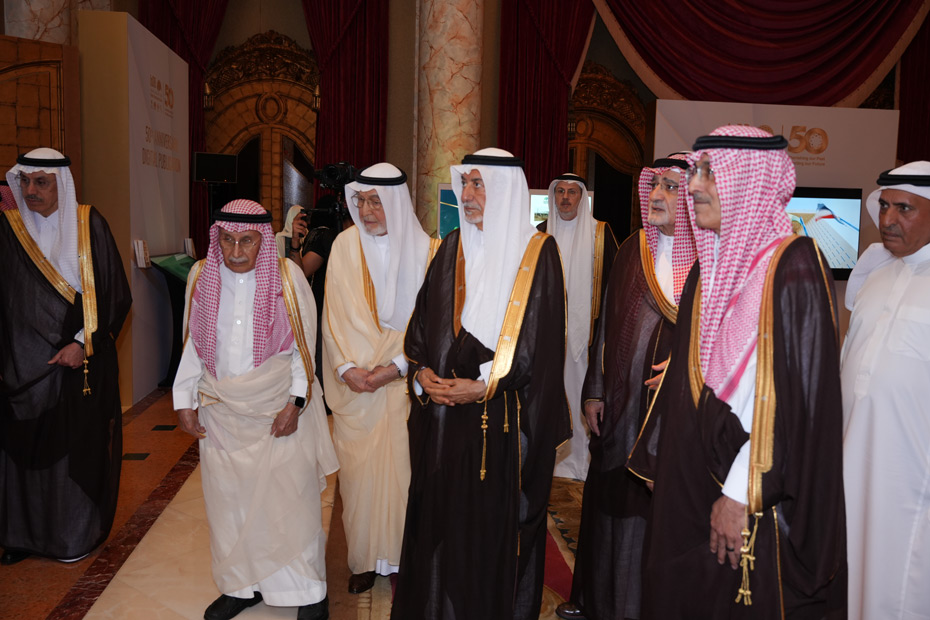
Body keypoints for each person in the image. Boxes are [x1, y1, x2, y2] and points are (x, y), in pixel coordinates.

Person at [628, 126, 847, 618]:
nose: (694, 186)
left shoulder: (793, 266)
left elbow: (795, 405)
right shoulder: (708, 268)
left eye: (709, 173)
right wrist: (664, 462)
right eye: (696, 173)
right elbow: (691, 381)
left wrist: (739, 493)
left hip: (753, 497)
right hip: (695, 483)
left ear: (747, 180)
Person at [391, 148, 569, 620]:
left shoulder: (538, 253)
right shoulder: (450, 246)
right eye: (464, 184)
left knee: (485, 532)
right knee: (438, 522)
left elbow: (540, 344)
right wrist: (420, 373)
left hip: (499, 426)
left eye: (478, 184)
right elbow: (421, 327)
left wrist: (485, 384)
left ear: (505, 191)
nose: (466, 194)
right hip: (441, 422)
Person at [173, 199, 338, 620]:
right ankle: (241, 586)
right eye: (227, 240)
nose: (235, 251)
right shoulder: (201, 275)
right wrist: (183, 398)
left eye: (246, 240)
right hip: (220, 411)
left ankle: (308, 591)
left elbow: (304, 347)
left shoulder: (288, 278)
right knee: (228, 503)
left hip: (277, 409)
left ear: (263, 240)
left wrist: (296, 402)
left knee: (290, 502)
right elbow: (193, 343)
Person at [557, 154, 696, 620]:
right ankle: (597, 600)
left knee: (654, 513)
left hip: (673, 412)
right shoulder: (634, 248)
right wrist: (594, 390)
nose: (657, 195)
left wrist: (686, 364)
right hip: (619, 405)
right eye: (654, 185)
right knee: (610, 503)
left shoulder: (710, 255)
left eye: (671, 187)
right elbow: (606, 322)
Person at [0, 148, 131, 565]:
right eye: (25, 181)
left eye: (41, 182)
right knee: (22, 455)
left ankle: (73, 537)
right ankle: (22, 537)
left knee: (74, 452)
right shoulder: (10, 229)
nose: (31, 190)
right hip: (21, 368)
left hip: (77, 363)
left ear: (62, 185)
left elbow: (113, 294)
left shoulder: (88, 224)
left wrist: (81, 343)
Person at [321, 163, 437, 594]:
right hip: (356, 390)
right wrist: (345, 369)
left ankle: (406, 557)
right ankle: (365, 560)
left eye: (376, 202)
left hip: (405, 386)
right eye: (361, 201)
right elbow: (331, 316)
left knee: (407, 475)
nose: (367, 211)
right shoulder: (344, 245)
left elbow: (432, 324)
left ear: (396, 203)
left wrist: (396, 368)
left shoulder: (428, 253)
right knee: (359, 479)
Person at [841, 161, 930, 620]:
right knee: (854, 577)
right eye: (884, 206)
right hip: (853, 460)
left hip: (913, 475)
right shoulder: (874, 276)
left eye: (905, 209)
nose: (889, 219)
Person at [537, 173, 618, 481]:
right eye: (560, 191)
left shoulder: (600, 233)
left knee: (582, 395)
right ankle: (548, 461)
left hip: (587, 339)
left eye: (572, 192)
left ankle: (582, 462)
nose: (565, 198)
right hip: (546, 337)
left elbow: (613, 285)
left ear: (582, 197)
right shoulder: (540, 234)